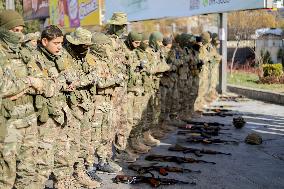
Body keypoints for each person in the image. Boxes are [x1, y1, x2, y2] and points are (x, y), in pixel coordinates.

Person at [0, 10, 47, 189]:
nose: (18, 34)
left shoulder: (24, 52)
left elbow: (43, 83)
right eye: (14, 30)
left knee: (28, 171)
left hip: (29, 119)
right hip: (8, 123)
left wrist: (22, 87)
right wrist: (28, 82)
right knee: (6, 175)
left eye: (21, 30)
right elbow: (3, 87)